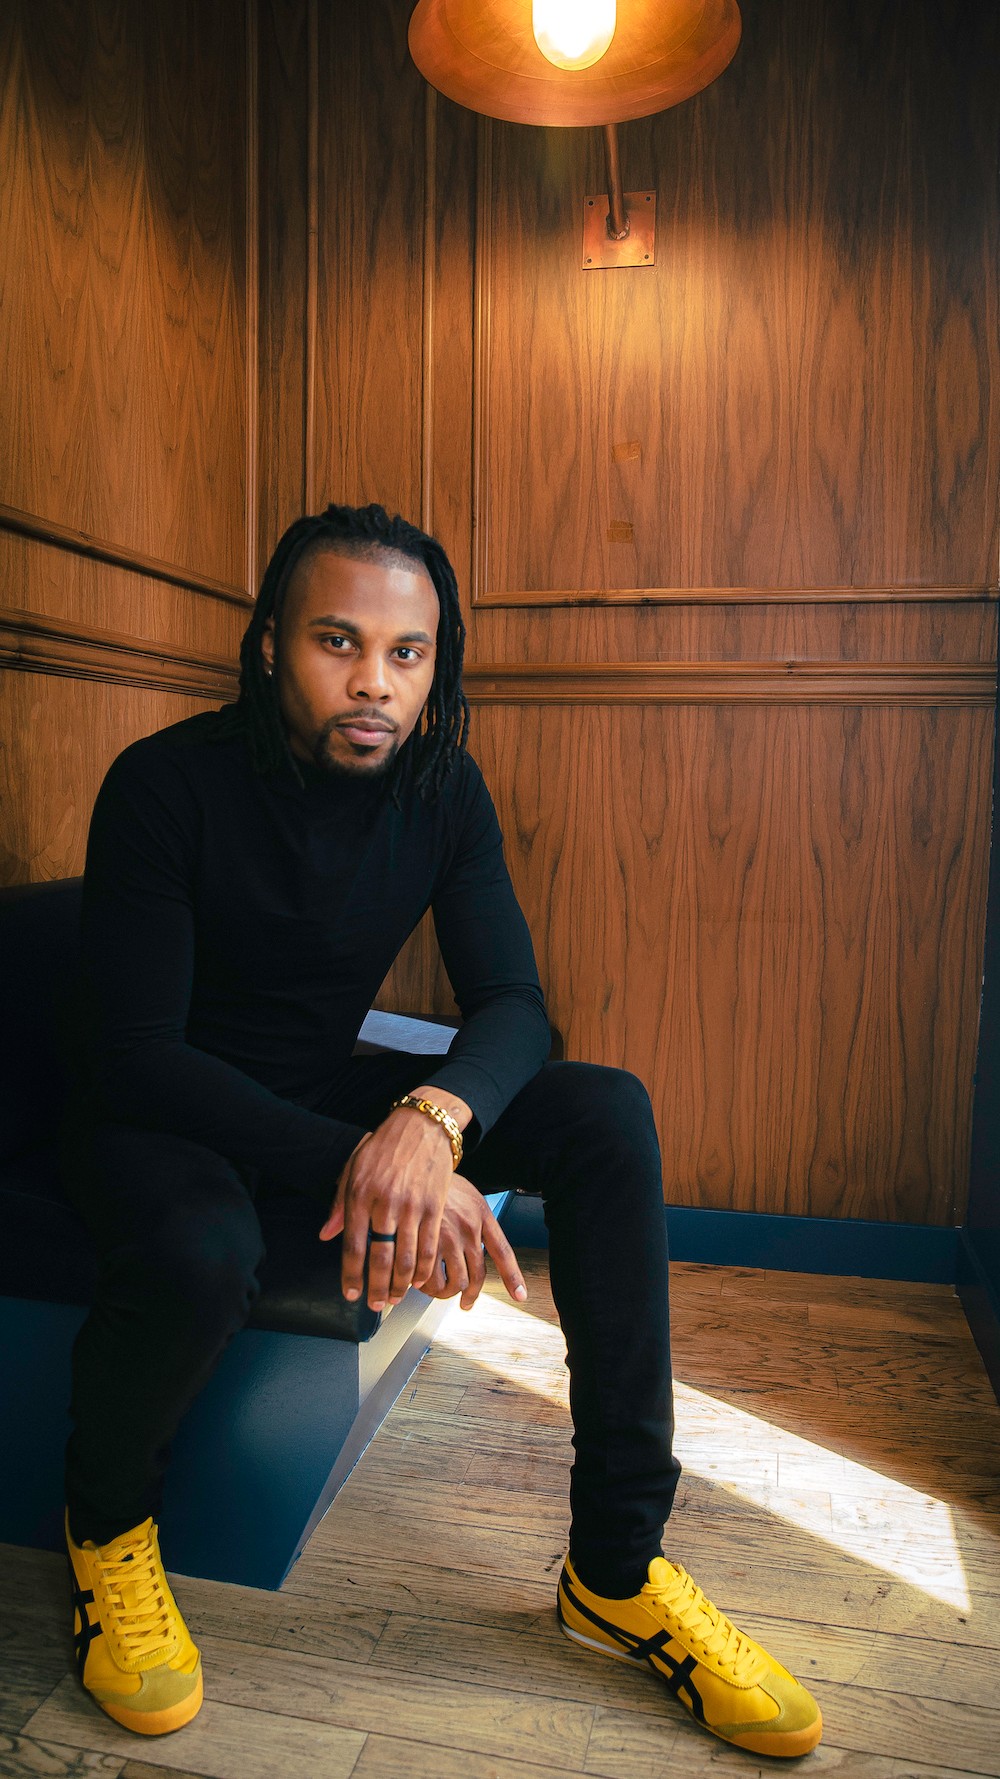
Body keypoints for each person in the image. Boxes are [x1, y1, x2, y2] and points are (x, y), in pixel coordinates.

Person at [62, 502, 822, 1757]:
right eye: (339, 642)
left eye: (406, 653)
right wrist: (367, 1159)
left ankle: (616, 1569)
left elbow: (514, 1003)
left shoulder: (440, 787)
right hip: (164, 1116)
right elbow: (140, 1058)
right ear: (269, 643)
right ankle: (106, 1531)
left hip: (320, 1092)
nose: (375, 682)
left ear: (435, 664)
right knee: (202, 1250)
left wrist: (429, 1122)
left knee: (604, 1113)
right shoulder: (163, 782)